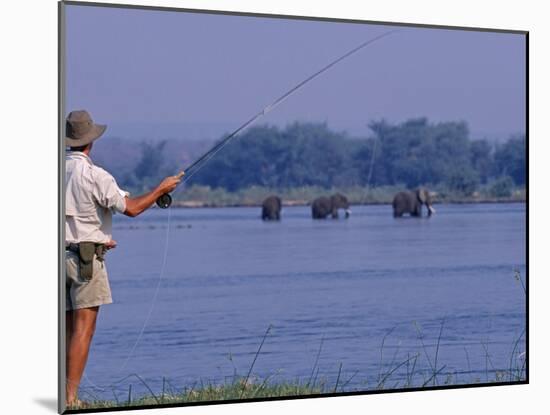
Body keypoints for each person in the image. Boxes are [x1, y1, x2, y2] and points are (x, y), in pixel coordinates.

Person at [64, 110, 183, 408]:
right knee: (83, 329)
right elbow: (130, 208)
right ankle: (70, 399)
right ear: (90, 142)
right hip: (85, 263)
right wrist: (161, 189)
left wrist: (99, 237)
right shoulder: (94, 175)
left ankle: (59, 394)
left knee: (65, 329)